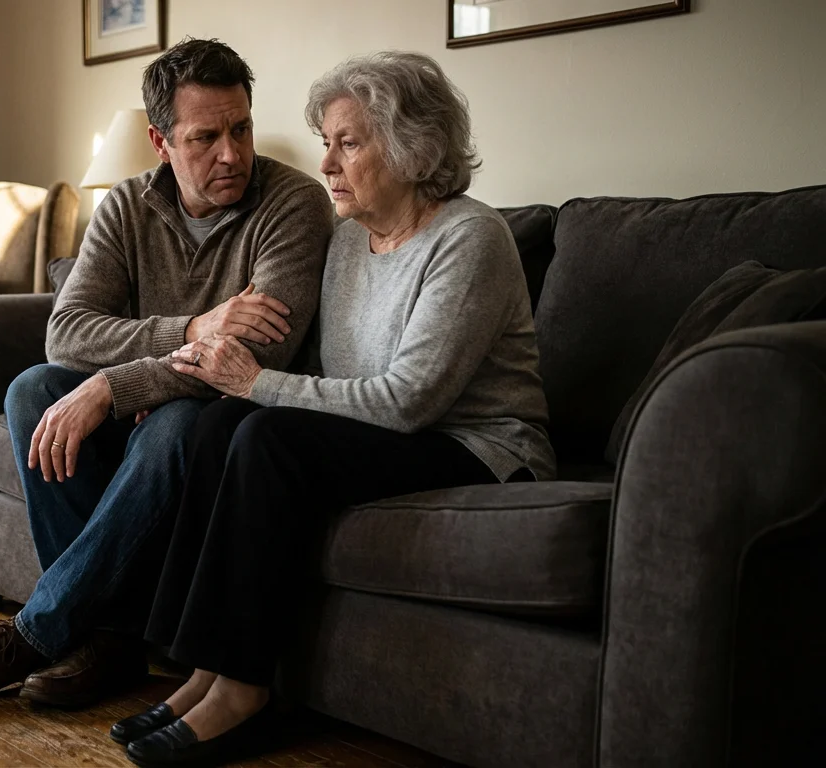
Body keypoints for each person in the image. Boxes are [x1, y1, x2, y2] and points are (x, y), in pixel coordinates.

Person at [107, 51, 559, 766]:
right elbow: (325, 373)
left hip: (476, 444)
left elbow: (408, 400)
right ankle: (202, 668)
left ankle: (246, 691)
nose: (326, 164)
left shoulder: (470, 239)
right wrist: (214, 384)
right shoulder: (348, 240)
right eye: (327, 141)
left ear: (412, 148)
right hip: (386, 430)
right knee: (220, 423)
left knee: (269, 438)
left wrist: (256, 382)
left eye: (348, 143)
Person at [0, 38, 334, 711]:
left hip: (231, 416)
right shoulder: (125, 206)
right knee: (33, 390)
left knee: (174, 424)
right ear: (160, 142)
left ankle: (37, 633)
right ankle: (109, 642)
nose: (231, 154)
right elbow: (66, 332)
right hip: (167, 391)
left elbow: (260, 353)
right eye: (205, 137)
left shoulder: (293, 203)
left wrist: (115, 384)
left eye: (241, 128)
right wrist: (192, 329)